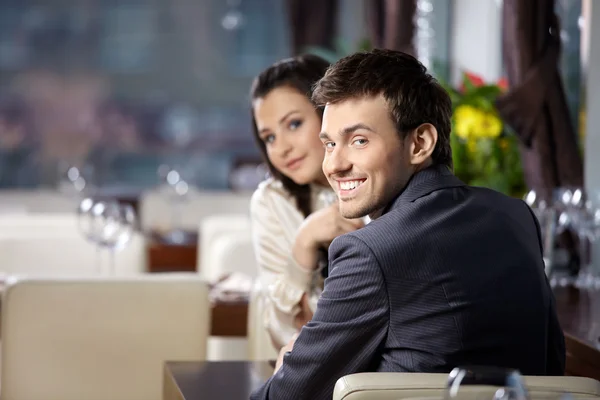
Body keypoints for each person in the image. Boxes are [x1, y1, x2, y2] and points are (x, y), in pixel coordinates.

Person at [250, 49, 565, 400]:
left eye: (358, 141)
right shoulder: (516, 216)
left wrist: (289, 366)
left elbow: (288, 395)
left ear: (420, 143)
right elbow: (552, 365)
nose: (334, 165)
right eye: (329, 144)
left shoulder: (369, 251)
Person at [249, 54, 363, 350]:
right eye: (269, 138)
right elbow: (281, 330)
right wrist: (304, 240)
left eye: (294, 124)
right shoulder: (271, 201)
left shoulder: (376, 180)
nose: (282, 147)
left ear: (330, 112)